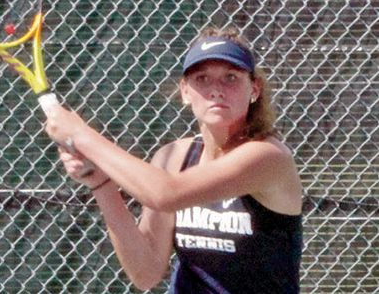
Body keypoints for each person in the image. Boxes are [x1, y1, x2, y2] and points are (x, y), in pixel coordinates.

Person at [45, 27, 303, 293]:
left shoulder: (267, 157)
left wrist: (81, 135)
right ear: (185, 91)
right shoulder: (175, 157)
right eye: (202, 78)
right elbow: (145, 272)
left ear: (255, 89)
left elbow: (167, 193)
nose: (216, 90)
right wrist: (100, 182)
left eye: (230, 77)